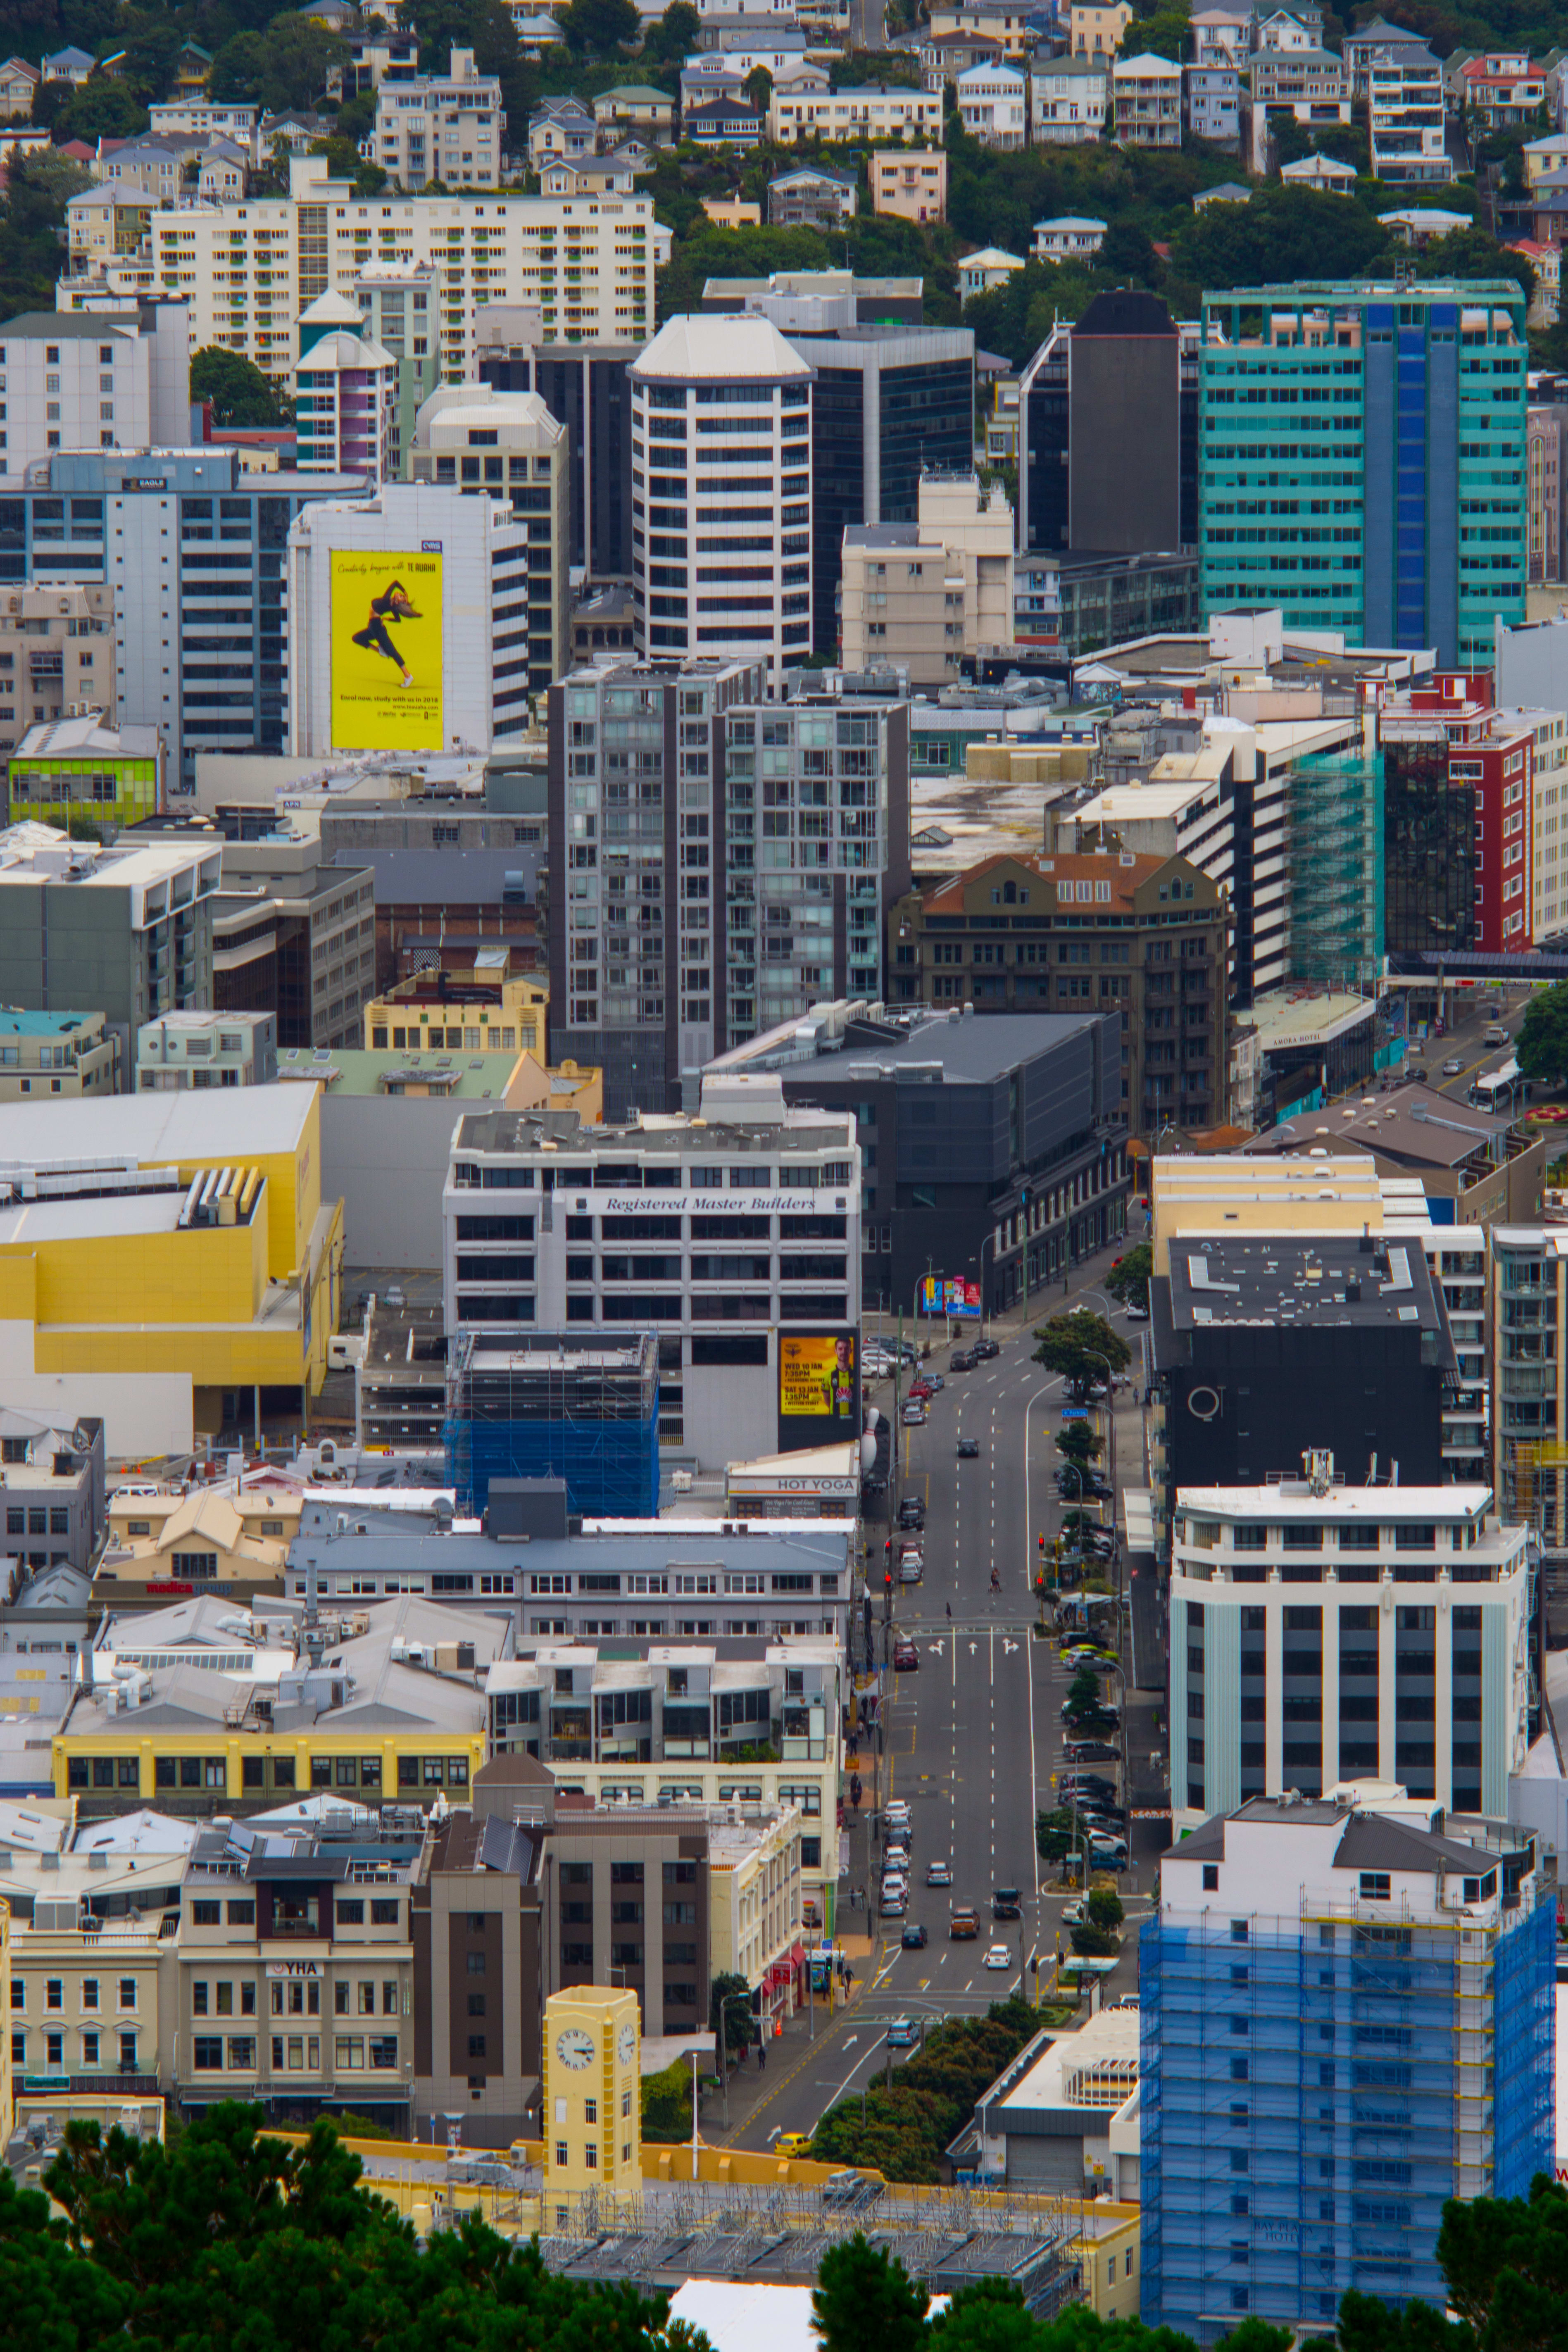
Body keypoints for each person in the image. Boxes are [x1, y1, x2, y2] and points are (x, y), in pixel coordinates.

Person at [350, 580, 422, 686]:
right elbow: (398, 619)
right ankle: (380, 650)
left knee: (393, 652)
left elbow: (394, 584)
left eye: (401, 597)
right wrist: (406, 592)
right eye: (401, 595)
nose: (399, 594)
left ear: (398, 602)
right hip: (373, 627)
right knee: (356, 638)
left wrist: (386, 618)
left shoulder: (386, 601)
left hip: (378, 628)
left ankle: (408, 676)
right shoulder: (391, 604)